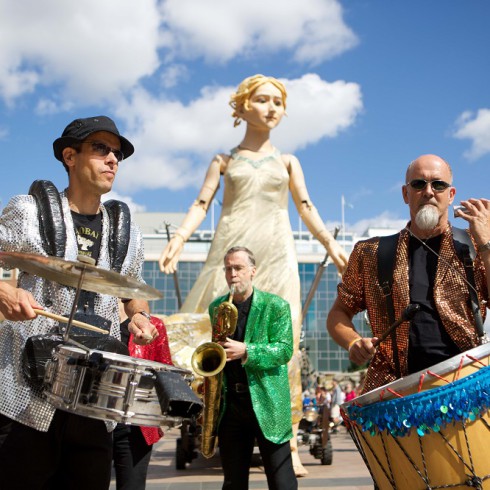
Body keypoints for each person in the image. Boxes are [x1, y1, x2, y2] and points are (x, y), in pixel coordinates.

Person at [159, 74, 348, 476]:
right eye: (262, 100)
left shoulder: (288, 161)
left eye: (278, 102)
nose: (272, 108)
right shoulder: (224, 161)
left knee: (286, 344)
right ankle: (215, 424)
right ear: (242, 107)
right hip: (230, 247)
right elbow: (200, 202)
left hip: (278, 254)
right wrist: (178, 237)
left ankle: (288, 437)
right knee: (215, 331)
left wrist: (331, 245)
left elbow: (306, 207)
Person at [0, 116, 158, 489]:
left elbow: (132, 290)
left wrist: (139, 316)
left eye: (117, 153)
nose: (112, 159)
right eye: (100, 149)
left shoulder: (126, 231)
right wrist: (3, 292)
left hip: (93, 398)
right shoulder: (28, 211)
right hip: (28, 396)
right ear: (70, 156)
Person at [327, 154, 490, 395]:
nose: (428, 191)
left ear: (451, 194)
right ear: (405, 194)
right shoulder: (370, 253)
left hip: (466, 387)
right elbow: (338, 314)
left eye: (438, 184)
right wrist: (353, 342)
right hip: (396, 394)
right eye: (418, 184)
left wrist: (486, 243)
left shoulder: (474, 245)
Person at [212, 246, 297, 490]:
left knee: (282, 482)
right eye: (228, 269)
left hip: (268, 401)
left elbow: (283, 350)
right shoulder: (216, 307)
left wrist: (247, 350)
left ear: (252, 271)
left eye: (238, 268)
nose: (232, 274)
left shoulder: (276, 305)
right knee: (233, 482)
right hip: (231, 405)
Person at [113, 314, 173, 490]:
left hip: (136, 424)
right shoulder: (95, 319)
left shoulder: (154, 325)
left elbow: (165, 368)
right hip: (95, 420)